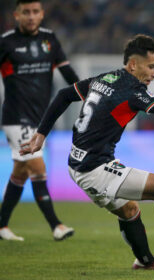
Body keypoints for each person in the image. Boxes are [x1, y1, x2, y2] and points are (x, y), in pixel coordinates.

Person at [20, 34, 154, 270]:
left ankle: (145, 261)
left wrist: (41, 134)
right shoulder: (133, 91)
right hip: (94, 168)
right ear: (133, 65)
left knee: (129, 209)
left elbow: (63, 95)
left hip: (77, 163)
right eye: (151, 67)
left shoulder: (106, 78)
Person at [0, 0, 78, 241]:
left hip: (41, 118)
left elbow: (66, 72)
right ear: (17, 15)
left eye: (35, 12)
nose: (31, 16)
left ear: (42, 14)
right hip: (16, 117)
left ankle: (1, 226)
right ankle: (56, 225)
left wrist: (89, 92)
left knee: (20, 172)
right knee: (37, 166)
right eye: (26, 12)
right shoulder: (6, 42)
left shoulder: (50, 39)